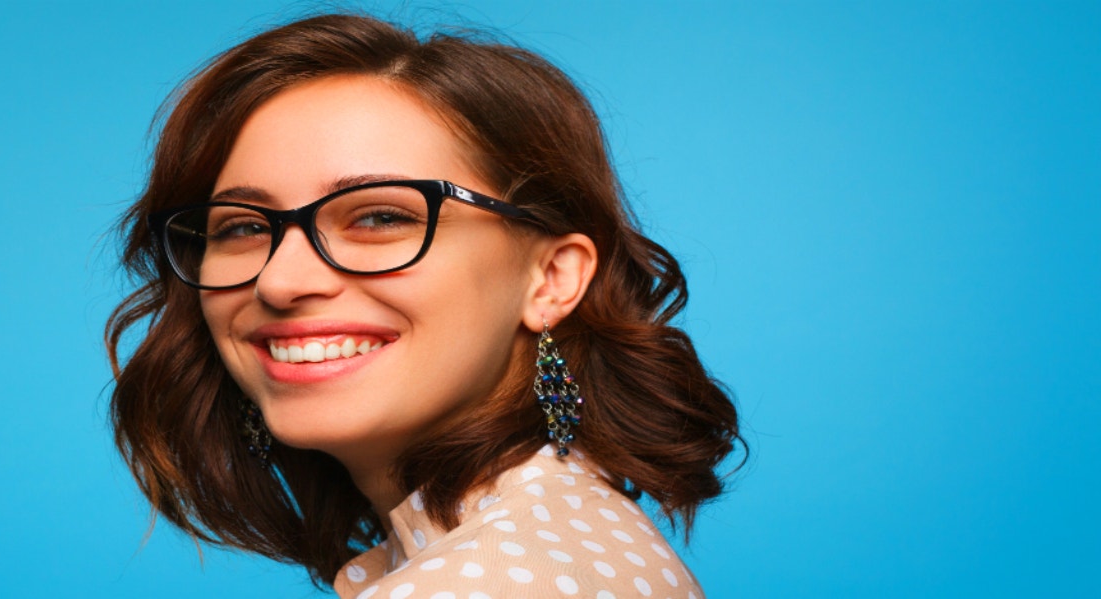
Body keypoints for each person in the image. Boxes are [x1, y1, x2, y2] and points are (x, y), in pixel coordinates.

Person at [106, 13, 741, 598]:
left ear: (550, 278)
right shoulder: (567, 530)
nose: (280, 281)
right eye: (240, 228)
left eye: (380, 216)